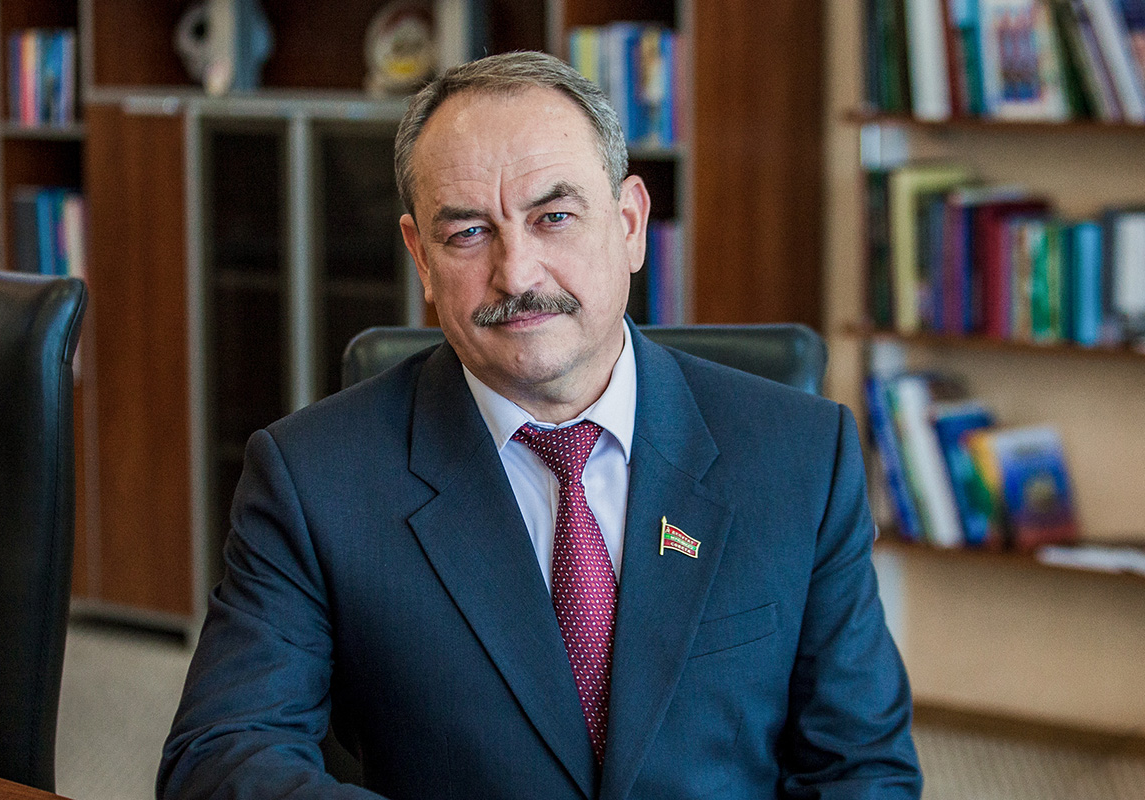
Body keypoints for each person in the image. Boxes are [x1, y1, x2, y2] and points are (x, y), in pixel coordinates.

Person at [158, 51, 922, 799]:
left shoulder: (801, 457)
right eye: (467, 233)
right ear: (420, 257)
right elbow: (221, 755)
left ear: (630, 224)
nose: (517, 274)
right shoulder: (311, 477)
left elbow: (861, 768)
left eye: (554, 217)